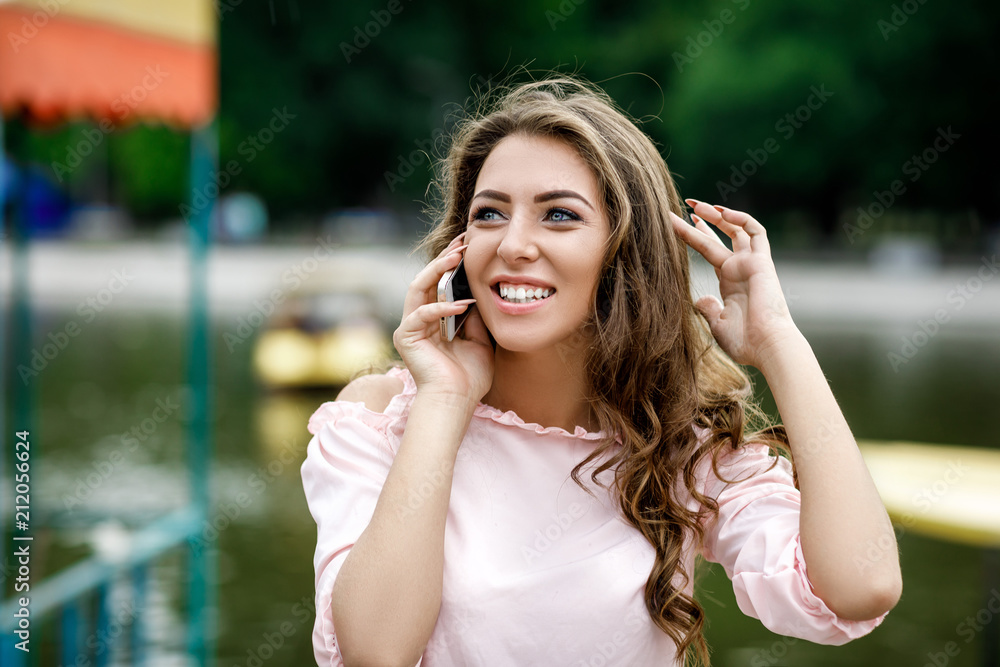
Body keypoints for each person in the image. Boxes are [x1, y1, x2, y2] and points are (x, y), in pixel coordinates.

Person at [300, 74, 902, 666]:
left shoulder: (681, 445)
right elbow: (375, 653)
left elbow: (858, 587)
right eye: (489, 214)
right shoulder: (384, 417)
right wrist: (444, 400)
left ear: (624, 252)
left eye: (558, 215)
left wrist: (779, 342)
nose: (513, 244)